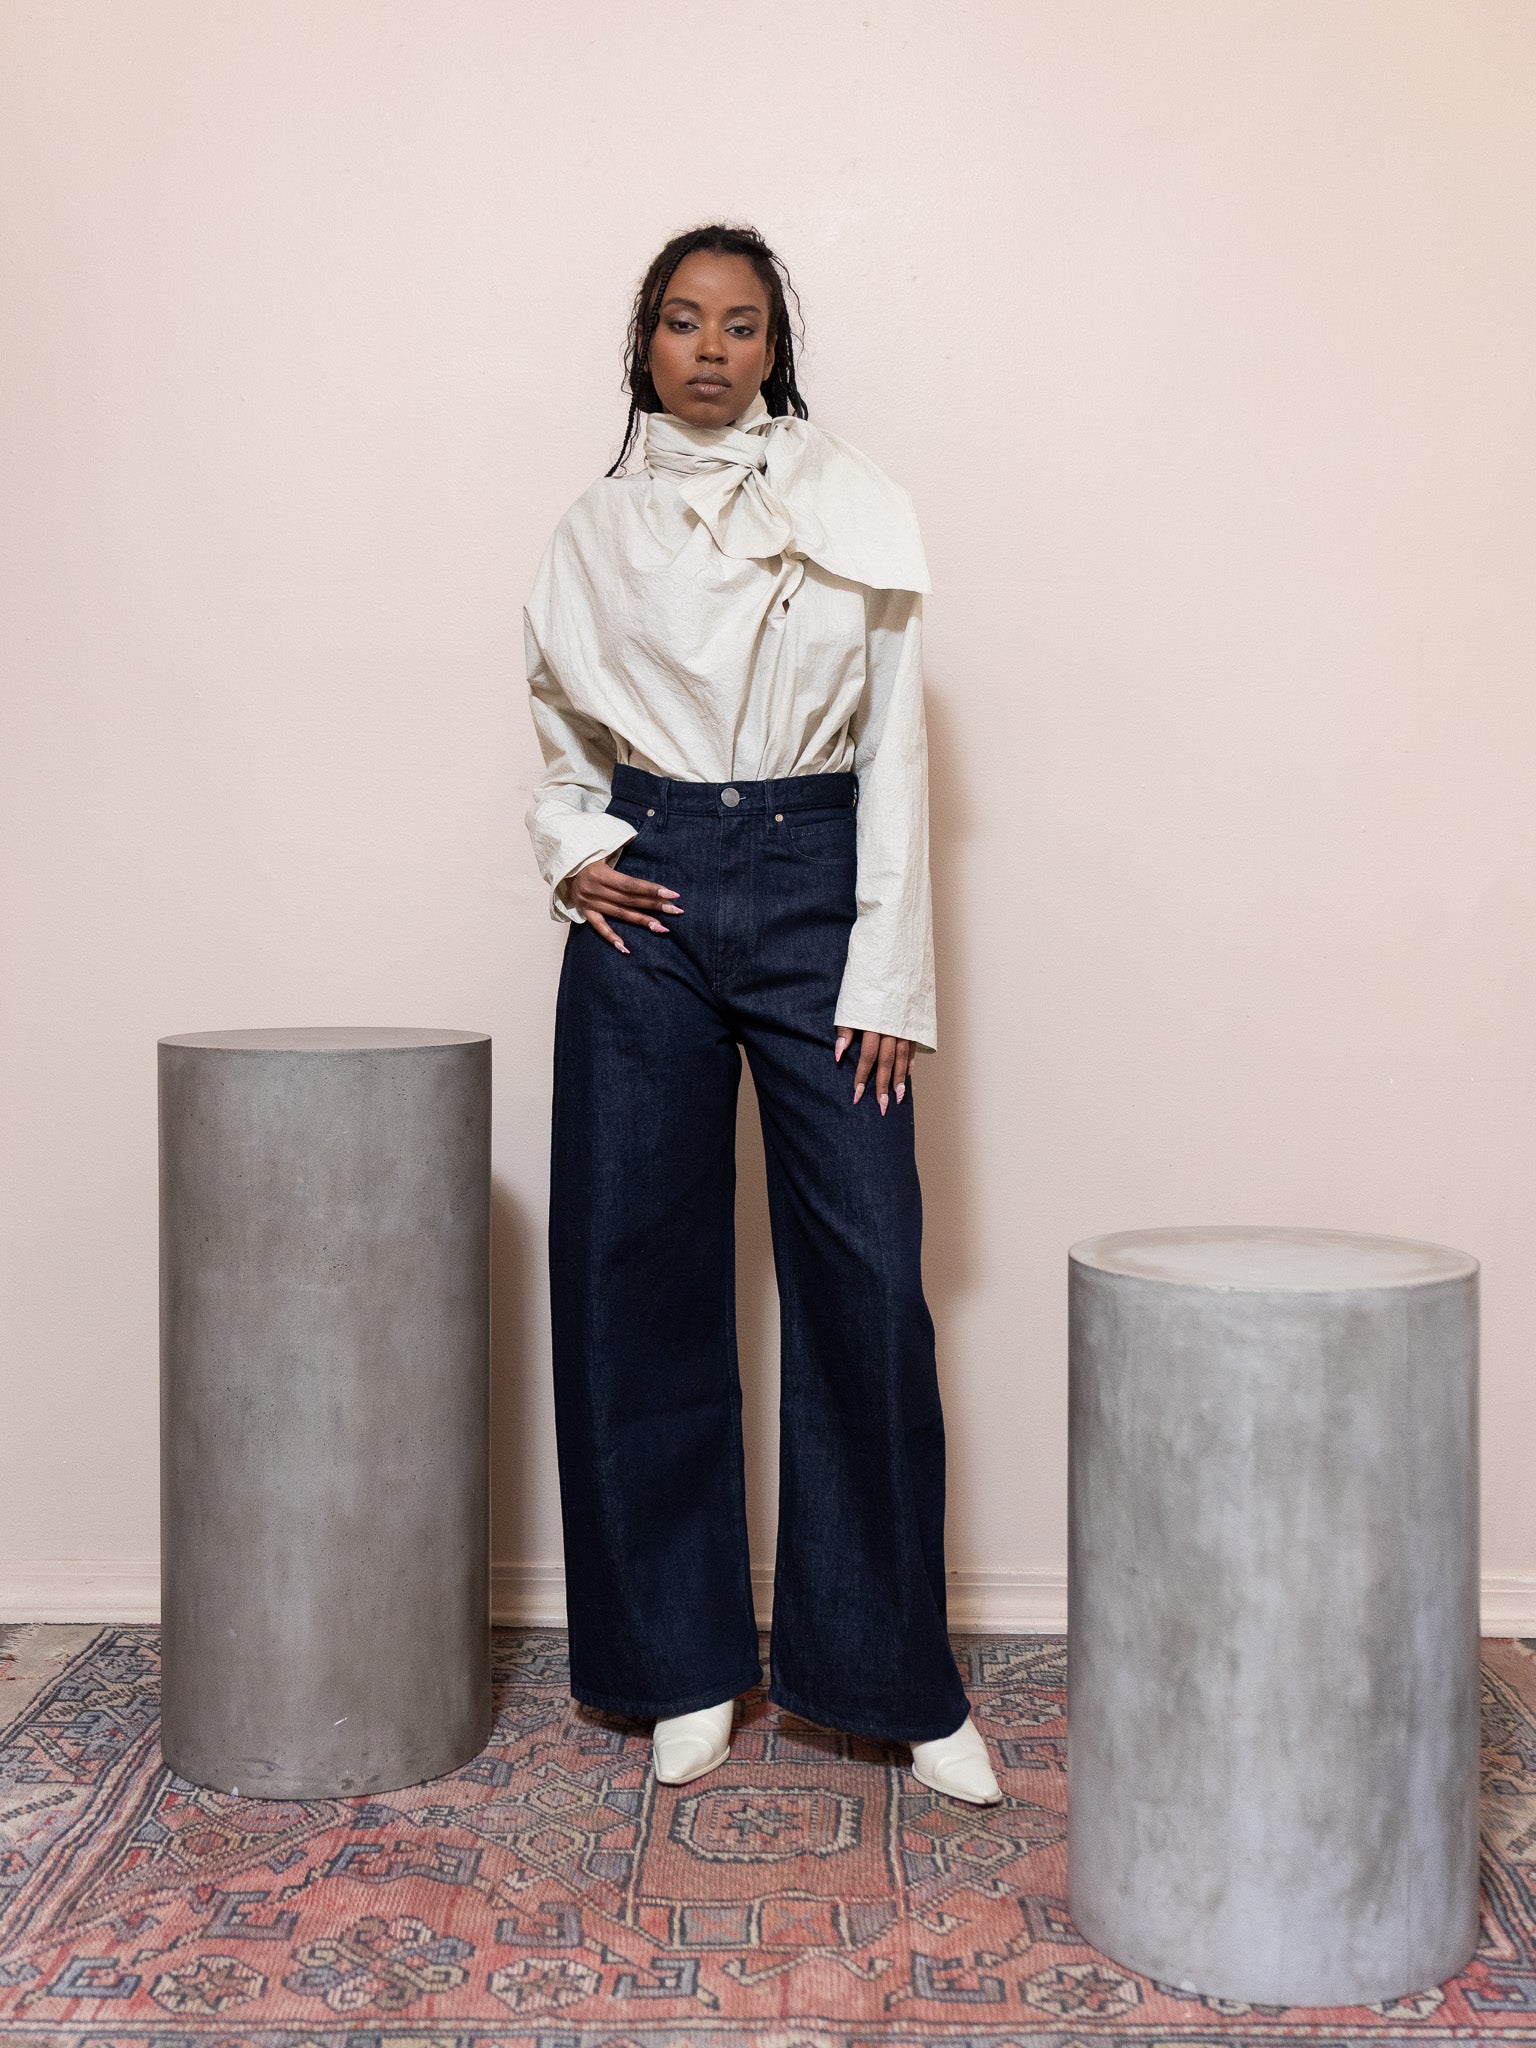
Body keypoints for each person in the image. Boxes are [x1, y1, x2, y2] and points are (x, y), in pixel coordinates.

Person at [522, 223, 1001, 1805]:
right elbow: (559, 728)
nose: (711, 350)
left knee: (866, 1277)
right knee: (631, 1274)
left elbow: (897, 751)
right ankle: (677, 1664)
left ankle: (892, 1676)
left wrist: (890, 971)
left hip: (817, 880)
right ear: (645, 346)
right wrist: (577, 850)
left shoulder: (852, 503)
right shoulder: (592, 530)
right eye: (683, 321)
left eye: (740, 325)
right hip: (649, 898)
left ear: (774, 347)